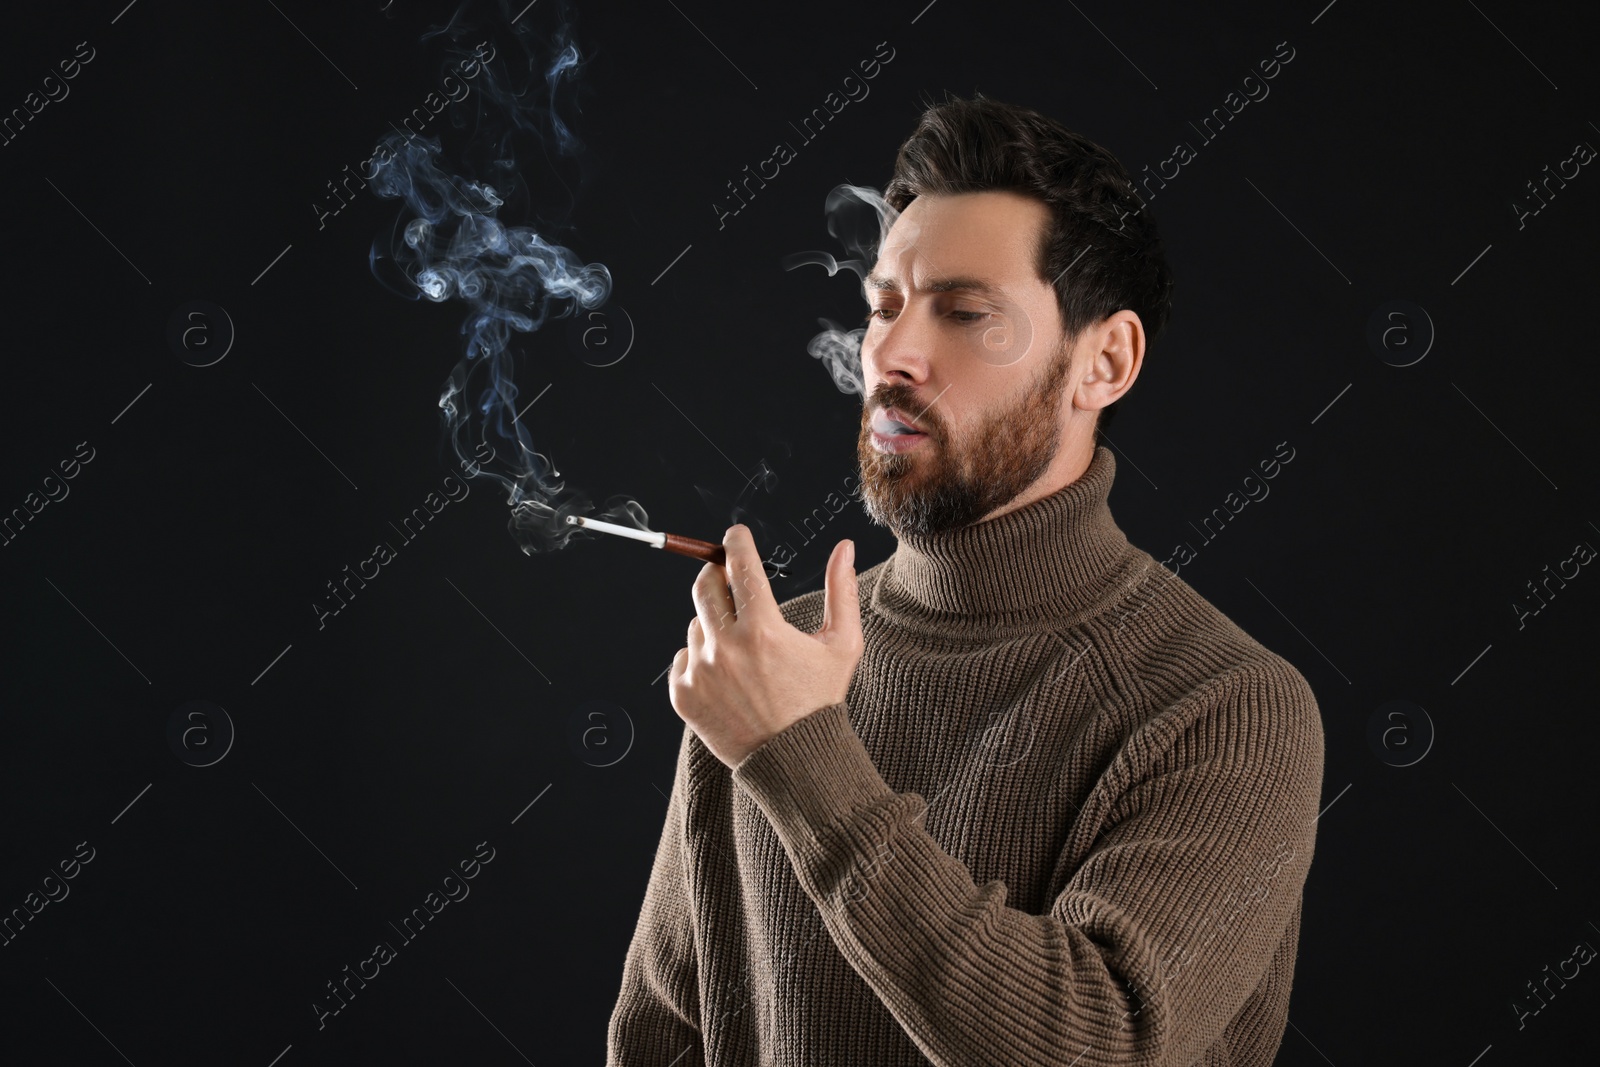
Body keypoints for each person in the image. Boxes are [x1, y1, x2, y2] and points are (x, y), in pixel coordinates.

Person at [608, 93, 1325, 1067]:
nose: (891, 354)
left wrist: (802, 755)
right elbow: (662, 1038)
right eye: (883, 306)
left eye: (964, 311)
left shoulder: (1227, 704)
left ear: (1102, 361)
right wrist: (779, 730)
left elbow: (1092, 1045)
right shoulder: (768, 662)